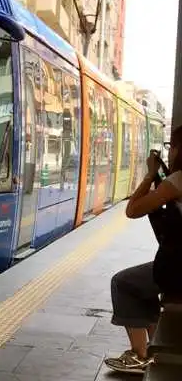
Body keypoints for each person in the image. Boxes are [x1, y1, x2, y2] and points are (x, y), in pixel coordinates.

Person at [104, 125, 182, 375]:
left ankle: (140, 355)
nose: (169, 152)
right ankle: (152, 351)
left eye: (172, 147)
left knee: (123, 283)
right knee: (145, 285)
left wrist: (150, 174)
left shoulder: (177, 181)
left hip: (178, 269)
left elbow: (133, 209)